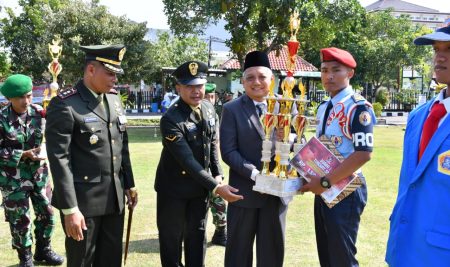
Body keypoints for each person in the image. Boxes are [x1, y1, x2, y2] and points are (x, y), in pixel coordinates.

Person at [45, 44, 138, 267]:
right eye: (110, 73)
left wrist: (129, 184)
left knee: (110, 260)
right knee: (82, 261)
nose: (115, 79)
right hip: (82, 204)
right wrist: (70, 209)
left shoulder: (113, 100)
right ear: (91, 70)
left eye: (117, 74)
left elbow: (121, 144)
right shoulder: (65, 104)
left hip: (114, 199)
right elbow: (59, 160)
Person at [155, 60, 243, 267]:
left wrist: (218, 173)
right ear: (178, 88)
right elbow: (187, 160)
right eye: (189, 86)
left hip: (199, 189)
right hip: (173, 191)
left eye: (199, 85)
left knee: (197, 237)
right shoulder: (171, 119)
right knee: (171, 241)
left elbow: (212, 144)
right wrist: (217, 187)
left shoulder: (208, 108)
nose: (196, 91)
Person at [300, 47, 376, 267]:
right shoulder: (324, 107)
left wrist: (325, 181)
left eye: (336, 70)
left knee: (342, 258)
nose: (329, 76)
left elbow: (363, 154)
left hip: (346, 190)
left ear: (350, 73)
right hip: (324, 189)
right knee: (326, 254)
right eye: (324, 70)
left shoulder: (357, 107)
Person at [386, 25, 450, 266]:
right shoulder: (419, 115)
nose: (439, 57)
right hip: (403, 247)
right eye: (436, 49)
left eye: (449, 49)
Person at [220, 51, 288, 267]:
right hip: (244, 194)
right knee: (238, 254)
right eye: (250, 77)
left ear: (272, 80)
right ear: (242, 81)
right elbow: (228, 151)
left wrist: (290, 138)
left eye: (261, 77)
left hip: (276, 194)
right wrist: (255, 174)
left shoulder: (286, 106)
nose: (256, 82)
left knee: (272, 254)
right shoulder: (231, 109)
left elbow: (299, 141)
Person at [0, 74, 64, 267]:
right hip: (13, 178)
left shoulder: (39, 113)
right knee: (20, 218)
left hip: (39, 175)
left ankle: (43, 250)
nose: (26, 101)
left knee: (48, 213)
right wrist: (22, 154)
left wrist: (46, 148)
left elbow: (52, 136)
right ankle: (25, 257)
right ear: (9, 99)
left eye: (29, 96)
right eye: (21, 97)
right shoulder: (1, 118)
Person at [203, 82, 228, 246]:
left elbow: (215, 143)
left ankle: (220, 232)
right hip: (197, 168)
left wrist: (217, 170)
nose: (209, 100)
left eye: (212, 97)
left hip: (213, 167)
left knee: (218, 201)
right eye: (207, 96)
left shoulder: (215, 115)